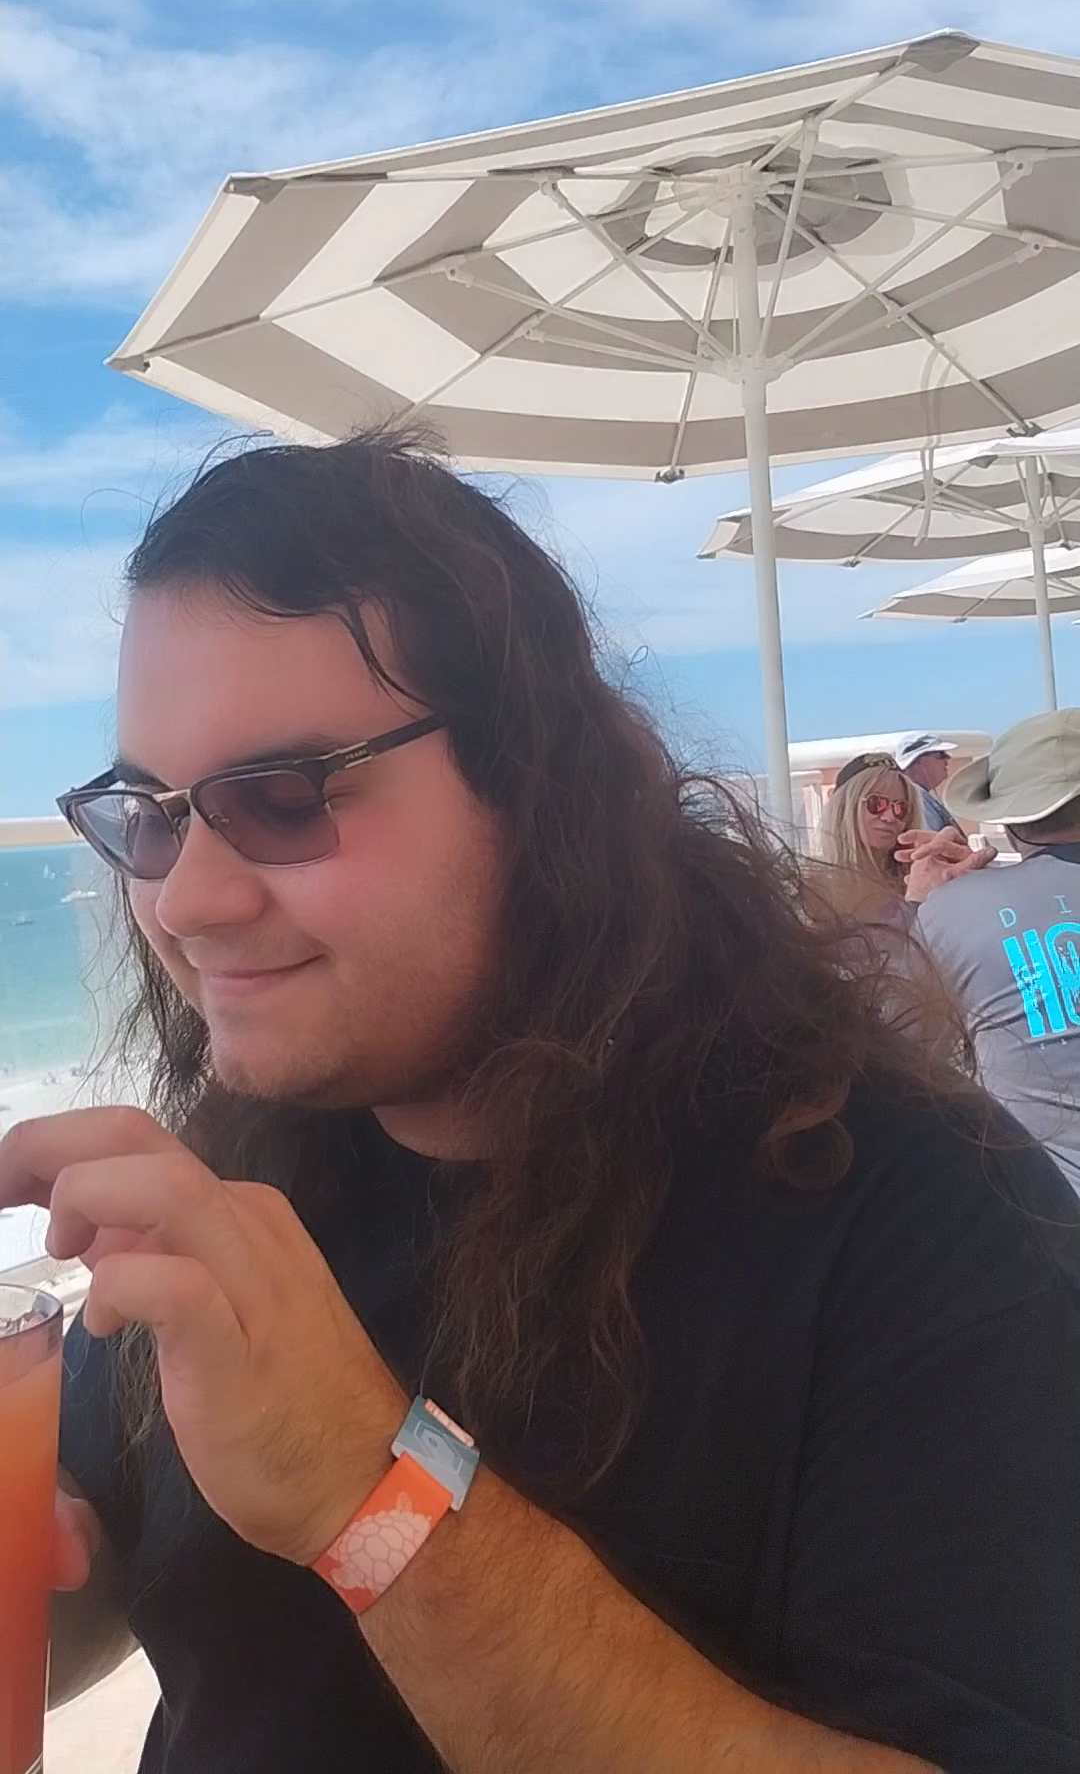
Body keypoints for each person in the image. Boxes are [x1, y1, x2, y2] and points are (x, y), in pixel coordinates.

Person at [3, 431, 1079, 1774]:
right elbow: (113, 1578)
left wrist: (373, 1492)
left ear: (531, 787)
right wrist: (43, 1561)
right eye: (147, 814)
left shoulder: (918, 1218)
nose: (183, 901)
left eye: (281, 800)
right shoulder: (237, 1166)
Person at [909, 710, 1080, 1197]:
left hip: (1048, 1207)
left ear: (1009, 820)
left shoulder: (952, 910)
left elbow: (906, 1046)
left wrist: (923, 903)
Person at [818, 757, 919, 919]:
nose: (890, 817)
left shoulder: (918, 881)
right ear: (844, 807)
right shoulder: (816, 891)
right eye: (876, 803)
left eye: (901, 808)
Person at [894, 734, 964, 835]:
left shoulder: (915, 794)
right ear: (919, 760)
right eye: (940, 754)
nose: (947, 759)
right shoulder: (915, 799)